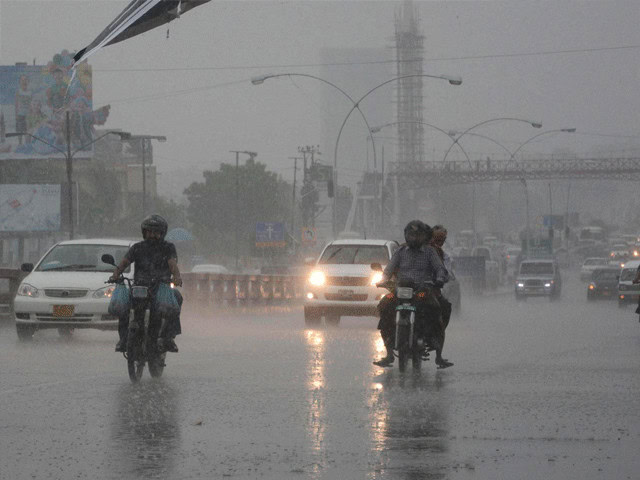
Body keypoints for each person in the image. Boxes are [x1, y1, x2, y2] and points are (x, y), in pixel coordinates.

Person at [373, 220, 450, 368]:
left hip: (423, 291)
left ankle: (438, 354)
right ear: (406, 235)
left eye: (417, 235)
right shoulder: (400, 252)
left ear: (424, 237)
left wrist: (440, 279)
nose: (414, 238)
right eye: (411, 235)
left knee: (437, 308)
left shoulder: (430, 252)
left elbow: (440, 269)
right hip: (400, 290)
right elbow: (388, 270)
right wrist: (383, 280)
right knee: (384, 305)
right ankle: (389, 352)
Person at [109, 214, 183, 353]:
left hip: (161, 287)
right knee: (124, 308)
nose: (152, 235)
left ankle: (168, 338)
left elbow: (172, 264)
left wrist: (177, 277)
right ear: (144, 232)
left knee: (177, 298)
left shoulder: (168, 247)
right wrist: (115, 275)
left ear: (162, 233)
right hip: (139, 288)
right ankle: (123, 339)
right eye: (149, 231)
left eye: (156, 232)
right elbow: (125, 262)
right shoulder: (137, 248)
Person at [428, 225, 454, 368]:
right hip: (407, 289)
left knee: (443, 310)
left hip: (431, 290)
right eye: (436, 238)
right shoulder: (405, 249)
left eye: (442, 239)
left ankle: (438, 350)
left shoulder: (440, 254)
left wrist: (440, 278)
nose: (439, 242)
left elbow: (444, 272)